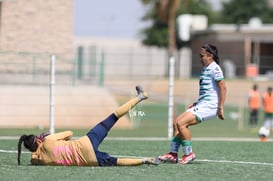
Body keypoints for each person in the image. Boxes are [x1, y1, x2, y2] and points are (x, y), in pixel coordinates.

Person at [17, 86, 159, 166]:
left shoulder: (38, 160)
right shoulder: (47, 141)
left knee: (116, 161)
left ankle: (145, 160)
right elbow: (69, 133)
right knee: (113, 117)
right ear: (39, 139)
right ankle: (140, 97)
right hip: (86, 142)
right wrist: (48, 137)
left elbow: (34, 158)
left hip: (88, 160)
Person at [159, 44, 227, 164]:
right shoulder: (206, 68)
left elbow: (223, 87)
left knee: (181, 123)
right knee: (176, 123)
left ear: (210, 56)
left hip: (210, 106)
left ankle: (189, 153)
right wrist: (197, 103)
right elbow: (209, 90)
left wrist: (220, 107)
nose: (200, 59)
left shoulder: (214, 68)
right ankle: (173, 154)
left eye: (202, 56)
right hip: (202, 104)